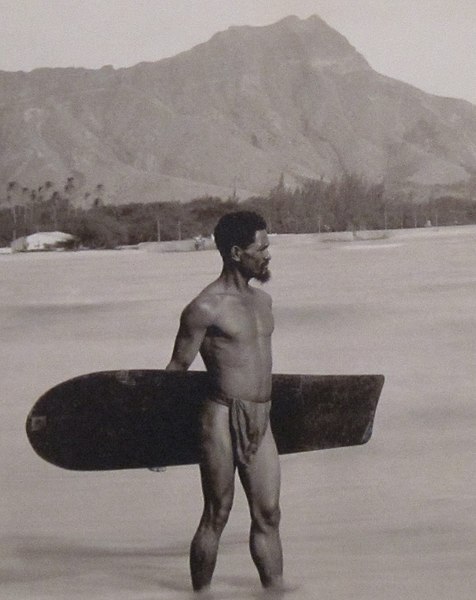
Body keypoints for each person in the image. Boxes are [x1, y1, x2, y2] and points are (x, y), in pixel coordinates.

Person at [166, 210, 283, 592]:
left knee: (268, 514)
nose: (268, 255)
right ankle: (200, 594)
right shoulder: (204, 307)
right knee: (217, 513)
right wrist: (156, 435)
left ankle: (276, 592)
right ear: (236, 252)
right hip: (220, 414)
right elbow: (177, 368)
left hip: (261, 418)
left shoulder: (264, 301)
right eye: (261, 248)